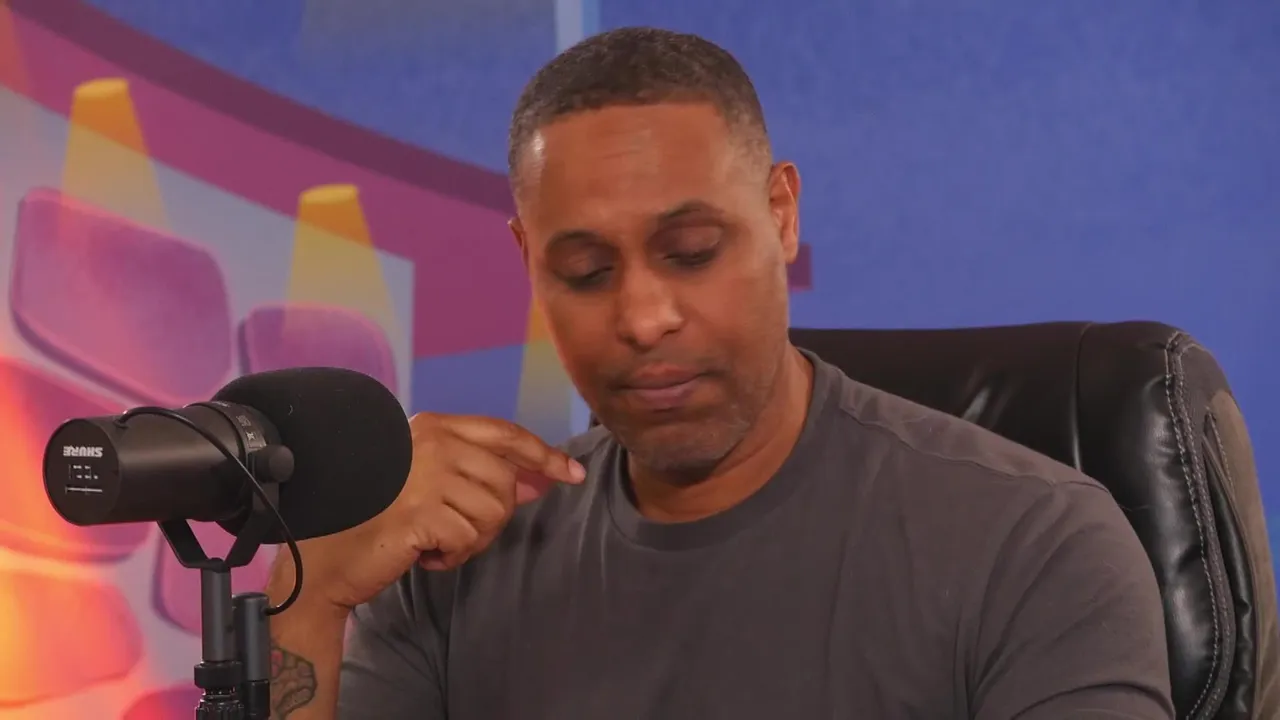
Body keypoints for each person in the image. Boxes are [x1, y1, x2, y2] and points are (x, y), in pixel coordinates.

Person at [264, 27, 1174, 720]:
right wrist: (307, 601)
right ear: (528, 262)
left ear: (781, 215)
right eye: (585, 271)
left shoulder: (1032, 547)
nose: (643, 317)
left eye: (692, 251)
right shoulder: (450, 566)